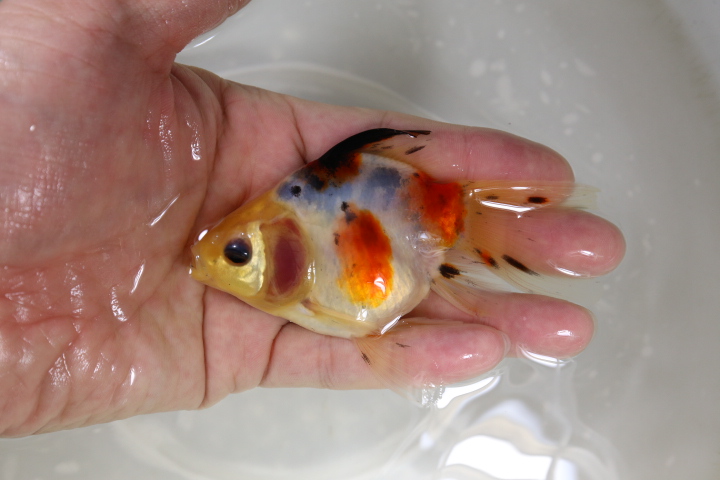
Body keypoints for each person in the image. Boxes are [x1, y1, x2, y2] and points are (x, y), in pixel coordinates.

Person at [0, 0, 624, 437]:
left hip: (397, 223)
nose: (215, 262)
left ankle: (475, 225)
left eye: (238, 253)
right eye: (237, 253)